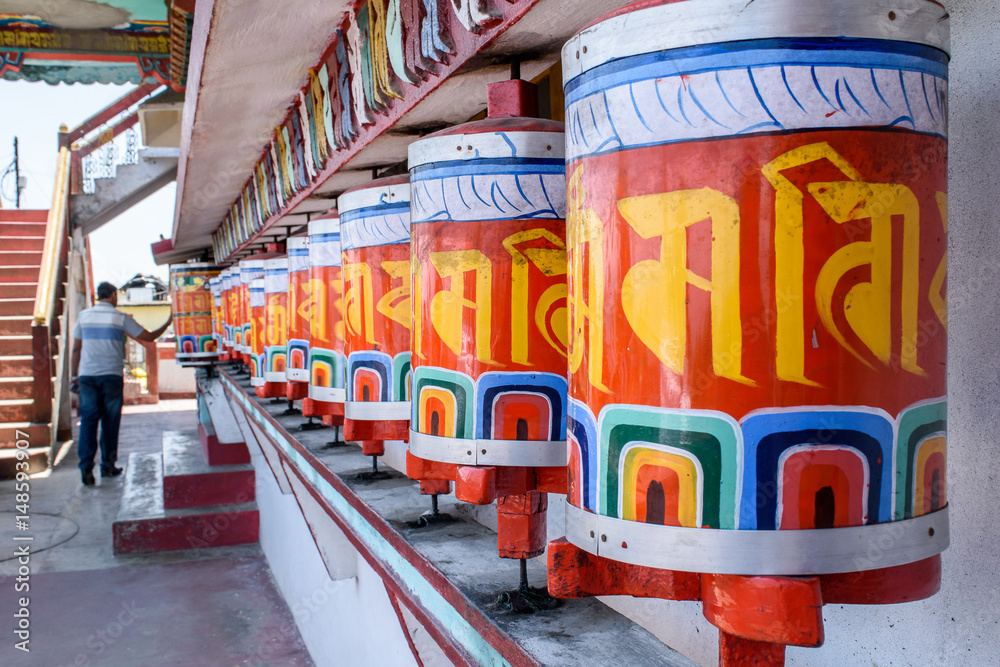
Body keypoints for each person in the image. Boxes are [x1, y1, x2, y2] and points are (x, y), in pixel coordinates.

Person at [70, 281, 172, 486]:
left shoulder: (84, 316)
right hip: (111, 377)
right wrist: (168, 322)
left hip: (87, 377)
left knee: (88, 422)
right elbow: (149, 337)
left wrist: (74, 377)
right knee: (110, 422)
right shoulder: (119, 318)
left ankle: (86, 468)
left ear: (99, 295)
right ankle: (108, 466)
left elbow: (76, 350)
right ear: (114, 295)